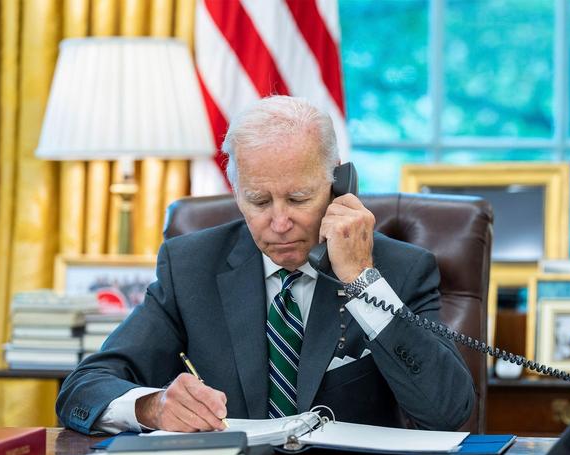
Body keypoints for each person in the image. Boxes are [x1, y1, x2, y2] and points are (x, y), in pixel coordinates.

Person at [56, 96, 475, 434]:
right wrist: (152, 406)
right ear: (236, 192)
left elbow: (448, 411)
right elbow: (84, 387)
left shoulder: (399, 268)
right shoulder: (191, 267)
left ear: (338, 185)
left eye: (298, 199)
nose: (278, 223)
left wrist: (363, 281)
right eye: (258, 201)